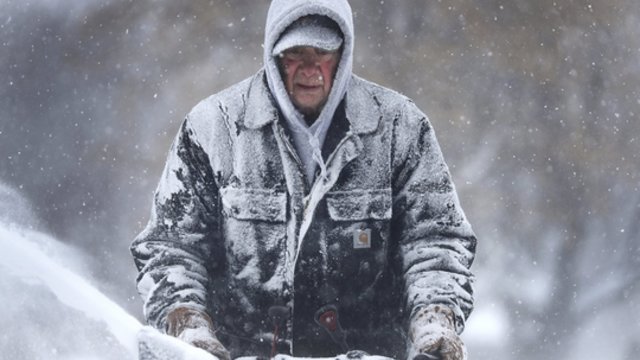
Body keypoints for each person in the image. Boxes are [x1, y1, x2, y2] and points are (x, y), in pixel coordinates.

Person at [130, 1, 477, 359]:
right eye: (295, 52)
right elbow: (171, 246)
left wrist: (435, 320)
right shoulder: (213, 127)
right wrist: (188, 326)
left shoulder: (400, 127)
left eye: (323, 51)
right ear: (273, 52)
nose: (310, 68)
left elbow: (436, 241)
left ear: (343, 53)